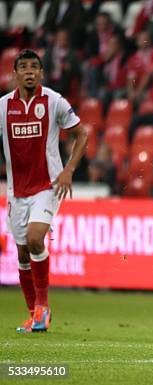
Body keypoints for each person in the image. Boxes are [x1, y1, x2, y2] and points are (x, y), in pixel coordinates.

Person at [0, 50, 88, 333]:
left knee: (37, 238)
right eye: (23, 67)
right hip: (17, 191)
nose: (29, 71)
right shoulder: (3, 106)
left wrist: (69, 170)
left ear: (41, 73)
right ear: (15, 73)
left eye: (34, 67)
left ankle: (44, 306)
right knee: (23, 253)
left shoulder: (53, 101)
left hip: (48, 185)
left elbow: (82, 134)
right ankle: (33, 314)